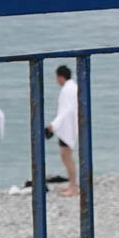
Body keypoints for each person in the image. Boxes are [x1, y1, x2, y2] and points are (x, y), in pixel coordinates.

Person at [44, 64, 81, 197]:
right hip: (71, 126)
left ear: (60, 77)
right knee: (67, 156)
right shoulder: (73, 87)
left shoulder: (67, 90)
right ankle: (73, 185)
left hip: (67, 128)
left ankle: (73, 188)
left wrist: (53, 125)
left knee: (66, 157)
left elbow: (66, 111)